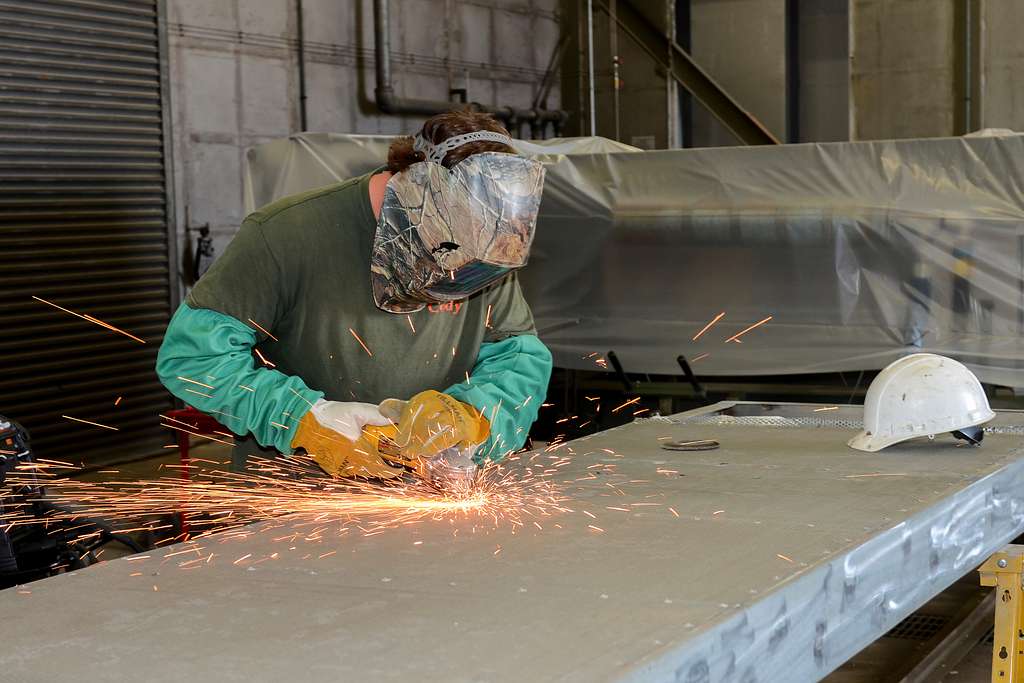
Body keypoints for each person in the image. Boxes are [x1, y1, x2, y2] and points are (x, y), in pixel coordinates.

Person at [156, 111, 552, 479]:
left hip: (430, 492)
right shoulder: (284, 234)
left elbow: (518, 358)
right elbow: (193, 357)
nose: (457, 274)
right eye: (448, 252)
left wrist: (470, 415)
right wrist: (304, 418)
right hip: (294, 502)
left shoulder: (484, 247)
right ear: (412, 188)